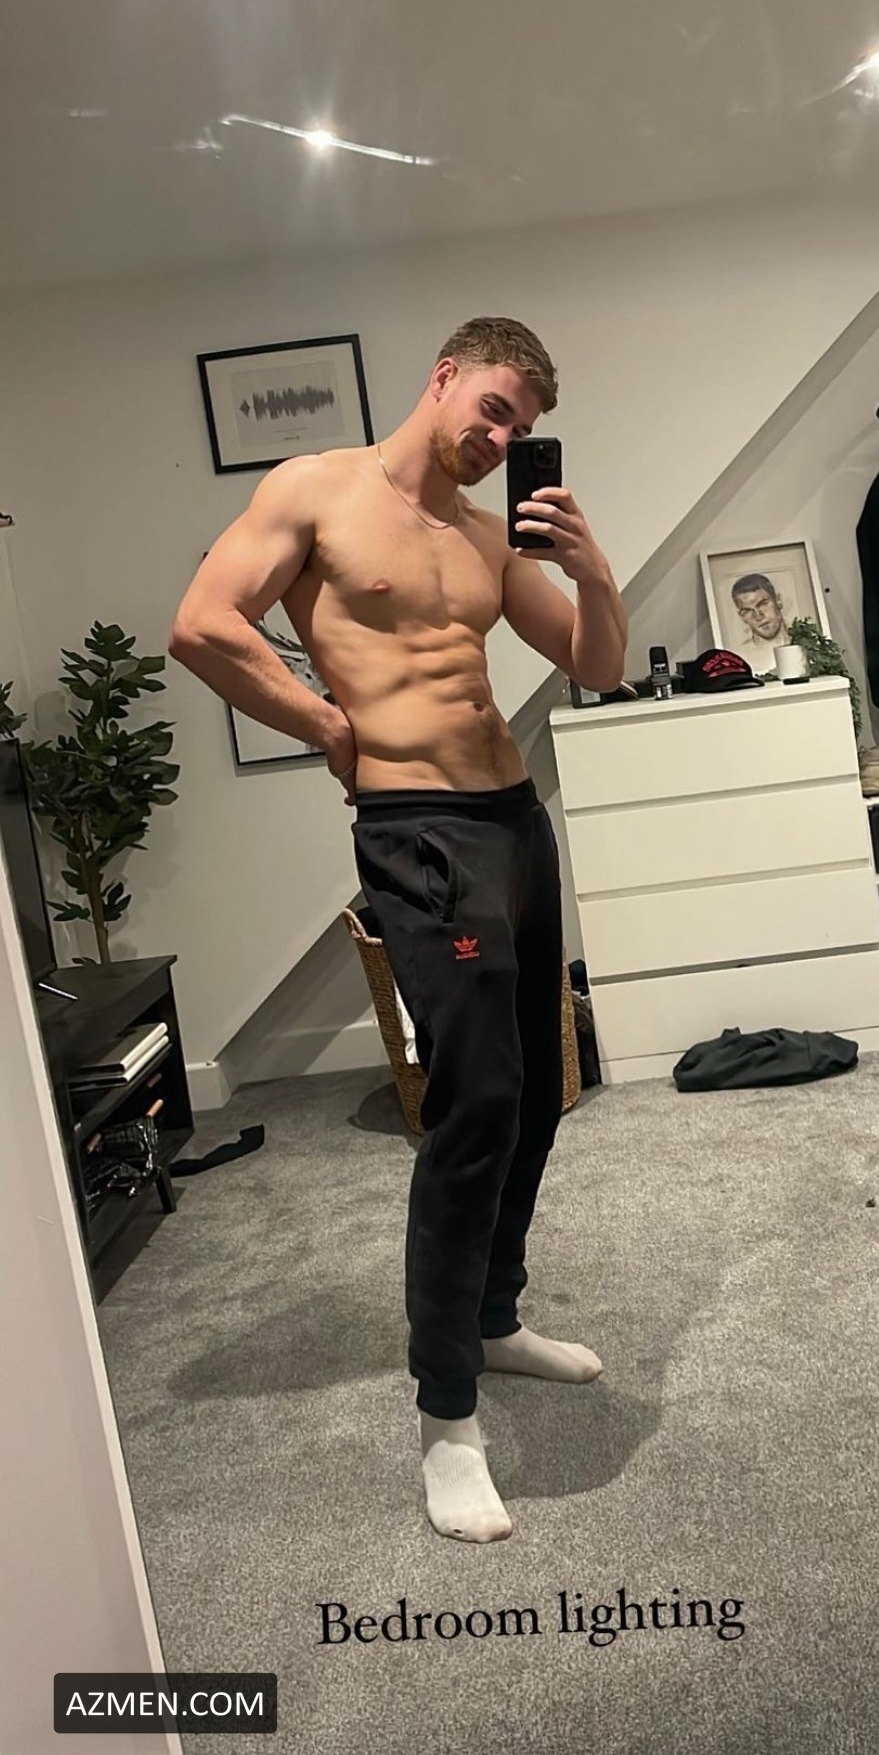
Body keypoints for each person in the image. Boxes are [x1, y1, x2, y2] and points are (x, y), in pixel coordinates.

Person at [169, 316, 628, 1544]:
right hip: (418, 828)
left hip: (514, 820)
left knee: (538, 1091)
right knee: (476, 1102)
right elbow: (204, 623)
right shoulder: (316, 490)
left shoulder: (485, 536)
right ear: (443, 377)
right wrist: (326, 724)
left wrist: (593, 571)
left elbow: (596, 665)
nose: (499, 438)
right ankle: (447, 1417)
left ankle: (493, 1314)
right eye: (492, 408)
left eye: (520, 428)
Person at [730, 571, 791, 654]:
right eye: (747, 611)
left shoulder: (805, 639)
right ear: (742, 617)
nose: (758, 616)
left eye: (763, 604)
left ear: (778, 601)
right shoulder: (740, 654)